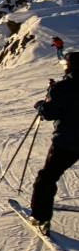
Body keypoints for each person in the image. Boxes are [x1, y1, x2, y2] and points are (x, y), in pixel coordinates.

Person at [30, 52, 79, 233]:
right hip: (69, 140)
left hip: (68, 141)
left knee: (47, 178)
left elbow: (49, 113)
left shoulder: (63, 87)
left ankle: (41, 217)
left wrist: (40, 105)